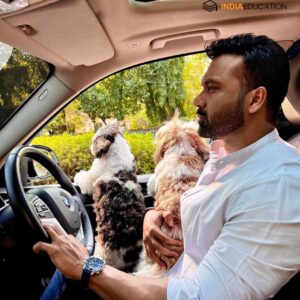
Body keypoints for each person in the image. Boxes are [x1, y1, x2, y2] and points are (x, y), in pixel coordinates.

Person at [33, 33, 300, 300]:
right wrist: (152, 216)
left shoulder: (277, 186)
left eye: (212, 88)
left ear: (255, 100)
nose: (198, 99)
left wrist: (86, 267)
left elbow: (200, 297)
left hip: (174, 291)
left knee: (69, 273)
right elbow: (208, 227)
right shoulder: (229, 154)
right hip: (168, 279)